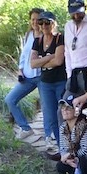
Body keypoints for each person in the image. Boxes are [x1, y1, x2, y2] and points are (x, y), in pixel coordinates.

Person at [30, 11, 67, 155]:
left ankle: (67, 145)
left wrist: (42, 60)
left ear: (54, 23)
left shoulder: (59, 38)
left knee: (62, 113)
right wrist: (50, 57)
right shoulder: (37, 41)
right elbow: (32, 64)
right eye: (41, 23)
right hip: (45, 83)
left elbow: (59, 61)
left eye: (47, 22)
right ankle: (58, 146)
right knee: (50, 116)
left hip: (61, 81)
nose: (44, 26)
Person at [5, 7, 43, 140]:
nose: (35, 22)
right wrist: (20, 70)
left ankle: (52, 137)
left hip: (42, 77)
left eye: (38, 20)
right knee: (10, 99)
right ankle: (25, 128)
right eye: (32, 19)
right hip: (27, 77)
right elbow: (24, 55)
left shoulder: (47, 36)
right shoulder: (28, 35)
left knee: (48, 109)